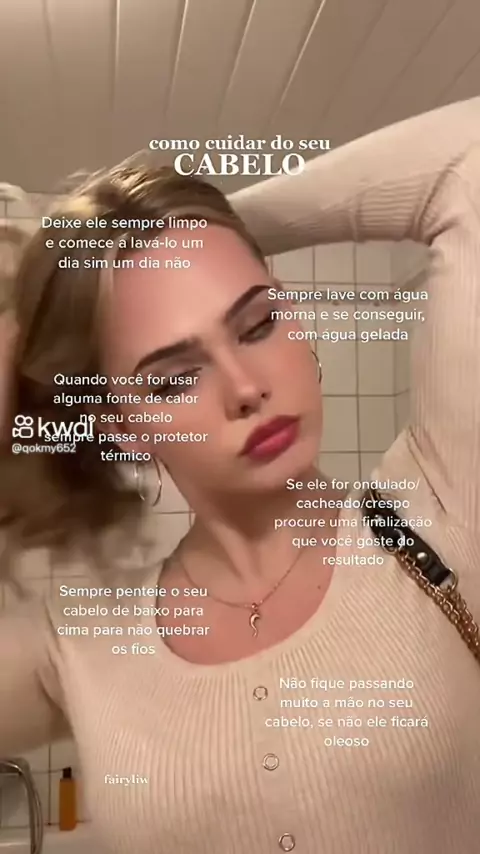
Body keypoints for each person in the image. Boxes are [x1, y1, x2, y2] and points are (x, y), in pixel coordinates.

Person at [0, 96, 479, 854]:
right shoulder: (84, 644)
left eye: (258, 323)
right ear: (121, 426)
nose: (246, 387)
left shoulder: (444, 509)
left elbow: (468, 158)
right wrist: (36, 318)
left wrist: (197, 228)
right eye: (174, 378)